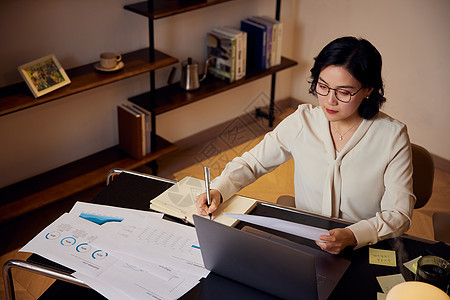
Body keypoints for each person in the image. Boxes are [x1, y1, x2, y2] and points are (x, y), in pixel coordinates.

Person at [195, 36, 415, 254]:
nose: (330, 100)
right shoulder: (303, 122)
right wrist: (218, 189)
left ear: (368, 90)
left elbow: (399, 214)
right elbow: (252, 163)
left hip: (364, 245)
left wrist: (353, 235)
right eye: (323, 86)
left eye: (344, 92)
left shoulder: (392, 137)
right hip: (306, 241)